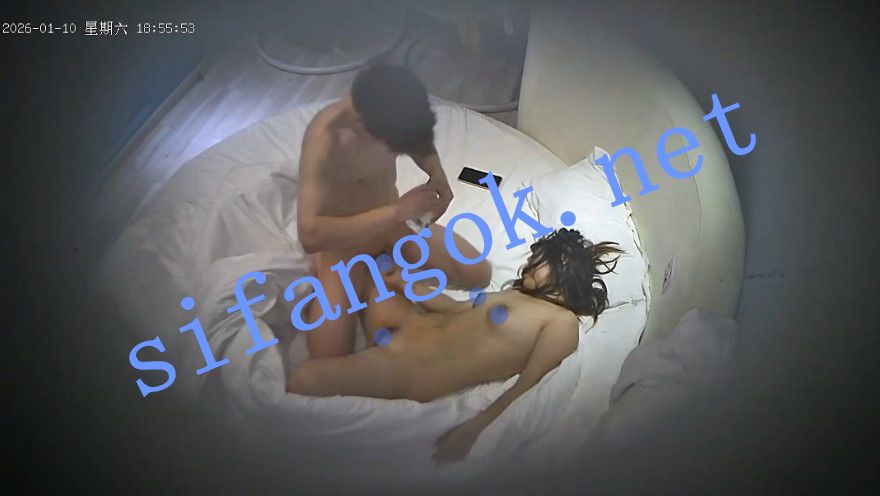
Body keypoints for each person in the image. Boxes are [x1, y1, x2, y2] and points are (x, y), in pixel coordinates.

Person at [286, 229, 624, 463]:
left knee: (304, 378)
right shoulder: (516, 294)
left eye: (538, 258)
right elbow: (455, 308)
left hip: (410, 366)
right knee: (366, 257)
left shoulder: (561, 323)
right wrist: (406, 283)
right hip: (410, 324)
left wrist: (474, 429)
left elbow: (528, 384)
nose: (528, 263)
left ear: (563, 262)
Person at [297, 64, 492, 359]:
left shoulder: (393, 109)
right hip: (345, 246)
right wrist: (397, 211)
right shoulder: (326, 138)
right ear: (365, 125)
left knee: (479, 272)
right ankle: (374, 280)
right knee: (329, 357)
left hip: (394, 227)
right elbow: (309, 234)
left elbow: (418, 139)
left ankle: (383, 277)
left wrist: (437, 175)